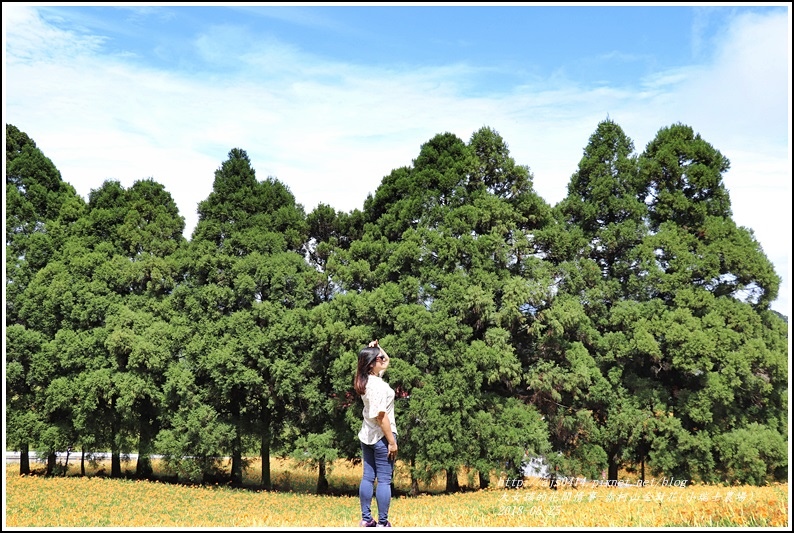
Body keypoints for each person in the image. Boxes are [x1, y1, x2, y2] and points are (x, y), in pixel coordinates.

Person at [355, 339, 398, 528]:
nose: (383, 358)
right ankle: (382, 522)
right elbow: (382, 417)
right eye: (378, 357)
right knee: (384, 481)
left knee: (367, 477)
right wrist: (392, 442)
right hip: (382, 436)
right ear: (372, 364)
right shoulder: (379, 387)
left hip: (367, 435)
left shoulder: (366, 381)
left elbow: (387, 360)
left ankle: (366, 518)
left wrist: (377, 348)